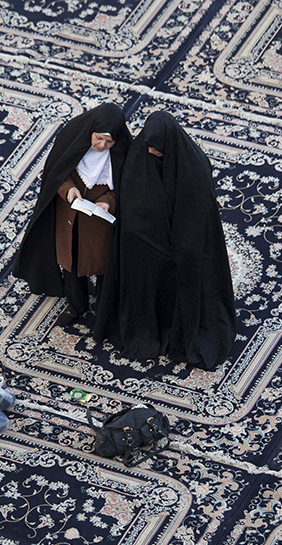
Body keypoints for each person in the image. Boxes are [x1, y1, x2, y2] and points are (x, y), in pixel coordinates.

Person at [94, 110, 236, 370]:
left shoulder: (194, 168)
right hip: (146, 242)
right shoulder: (141, 155)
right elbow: (133, 203)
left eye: (157, 149)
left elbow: (197, 218)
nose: (151, 153)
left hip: (184, 242)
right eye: (149, 147)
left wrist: (177, 247)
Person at [13, 103, 131, 326]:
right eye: (98, 138)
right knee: (72, 261)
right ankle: (77, 305)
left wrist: (107, 201)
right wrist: (68, 190)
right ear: (91, 131)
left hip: (100, 223)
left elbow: (128, 188)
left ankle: (105, 311)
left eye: (109, 142)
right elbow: (56, 172)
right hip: (70, 214)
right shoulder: (72, 137)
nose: (102, 145)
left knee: (103, 264)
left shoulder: (123, 154)